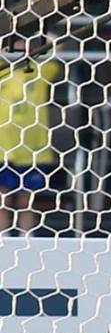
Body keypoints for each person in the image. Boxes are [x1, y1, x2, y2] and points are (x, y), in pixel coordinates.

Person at [0, 60, 62, 236]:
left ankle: (27, 237)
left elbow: (57, 50)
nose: (18, 47)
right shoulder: (2, 70)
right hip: (2, 148)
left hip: (31, 149)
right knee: (2, 199)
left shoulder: (38, 70)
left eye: (23, 41)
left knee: (26, 200)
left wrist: (45, 39)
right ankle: (2, 237)